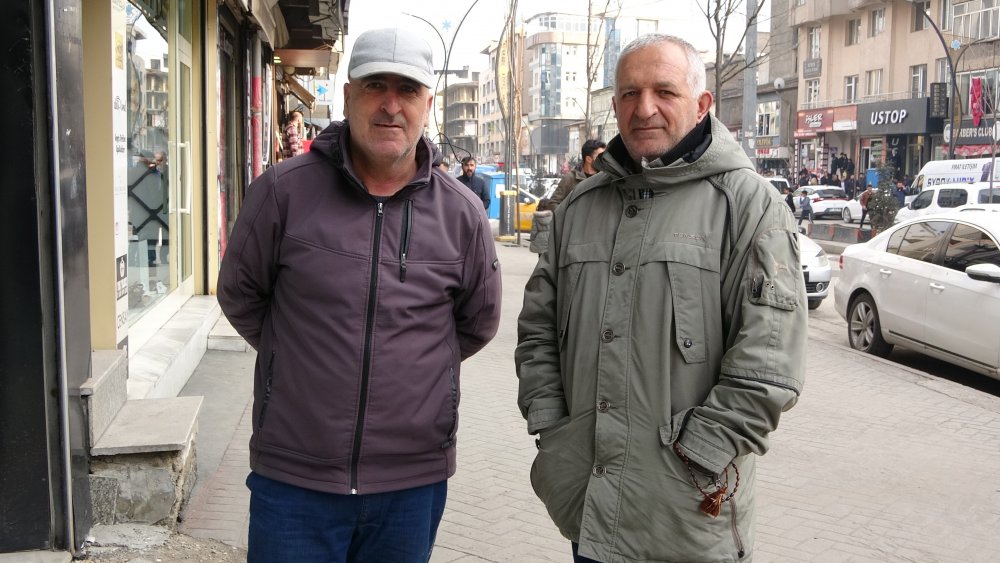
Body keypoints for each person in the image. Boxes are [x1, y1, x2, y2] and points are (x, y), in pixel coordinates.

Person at [515, 33, 807, 563]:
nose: (644, 108)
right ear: (615, 106)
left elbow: (768, 365)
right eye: (630, 93)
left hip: (689, 518)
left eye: (664, 91)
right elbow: (538, 329)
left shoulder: (749, 207)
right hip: (590, 506)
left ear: (702, 104)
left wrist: (697, 458)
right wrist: (553, 428)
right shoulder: (580, 208)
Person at [217, 27, 502, 562]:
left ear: (427, 105)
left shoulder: (462, 214)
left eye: (408, 89)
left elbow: (477, 322)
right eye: (375, 86)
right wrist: (294, 358)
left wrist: (412, 369)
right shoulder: (281, 192)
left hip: (410, 482)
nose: (391, 105)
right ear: (348, 96)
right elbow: (240, 294)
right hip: (295, 476)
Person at [544, 139, 607, 209]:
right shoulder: (570, 178)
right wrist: (569, 215)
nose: (604, 160)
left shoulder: (605, 178)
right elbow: (553, 203)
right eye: (600, 157)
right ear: (588, 159)